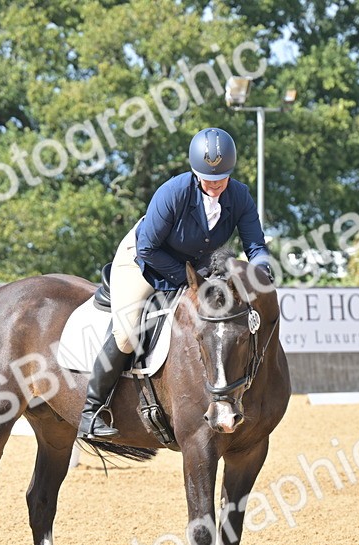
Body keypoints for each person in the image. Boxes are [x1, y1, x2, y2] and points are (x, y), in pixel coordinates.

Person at [77, 127, 273, 439]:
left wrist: (262, 270)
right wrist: (189, 281)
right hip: (142, 261)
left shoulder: (240, 196)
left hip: (198, 267)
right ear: (195, 173)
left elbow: (256, 248)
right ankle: (92, 410)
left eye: (221, 178)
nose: (214, 185)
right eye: (208, 179)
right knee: (128, 332)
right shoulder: (174, 192)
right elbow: (148, 249)